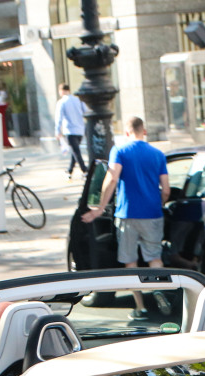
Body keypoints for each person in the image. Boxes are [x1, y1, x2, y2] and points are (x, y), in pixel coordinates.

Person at [81, 116, 169, 318]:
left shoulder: (120, 151)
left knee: (131, 262)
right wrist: (159, 204)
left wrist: (100, 208)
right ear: (144, 131)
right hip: (153, 214)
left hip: (127, 213)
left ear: (127, 133)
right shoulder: (157, 154)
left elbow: (112, 178)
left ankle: (140, 307)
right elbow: (165, 189)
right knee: (155, 257)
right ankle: (160, 290)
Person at [54, 83, 86, 178]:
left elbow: (59, 118)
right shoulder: (78, 100)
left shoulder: (62, 102)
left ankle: (84, 169)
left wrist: (57, 131)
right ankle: (70, 170)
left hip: (70, 130)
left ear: (61, 91)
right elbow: (86, 111)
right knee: (75, 150)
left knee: (75, 151)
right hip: (80, 129)